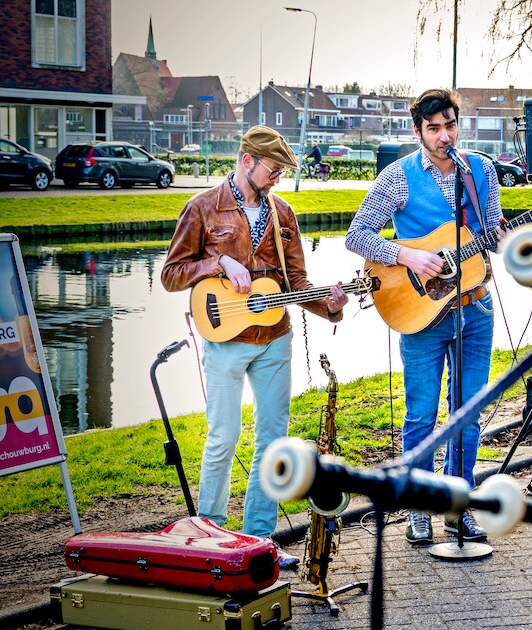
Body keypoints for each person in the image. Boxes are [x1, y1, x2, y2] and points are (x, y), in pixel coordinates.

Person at [161, 125, 349, 570]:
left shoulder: (283, 213)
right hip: (225, 341)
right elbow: (171, 273)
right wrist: (218, 261)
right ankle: (211, 535)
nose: (278, 178)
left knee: (273, 439)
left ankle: (259, 539)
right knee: (222, 437)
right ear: (246, 161)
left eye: (282, 171)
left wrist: (332, 304)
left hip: (275, 339)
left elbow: (296, 283)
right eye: (273, 169)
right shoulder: (203, 207)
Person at [345, 88, 505, 545]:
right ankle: (419, 508)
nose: (444, 135)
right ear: (417, 131)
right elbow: (358, 237)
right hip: (419, 312)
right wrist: (408, 258)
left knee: (468, 412)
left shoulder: (481, 171)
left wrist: (499, 235)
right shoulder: (397, 177)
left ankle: (458, 505)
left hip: (474, 306)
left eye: (450, 125)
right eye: (433, 128)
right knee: (421, 416)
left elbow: (489, 232)